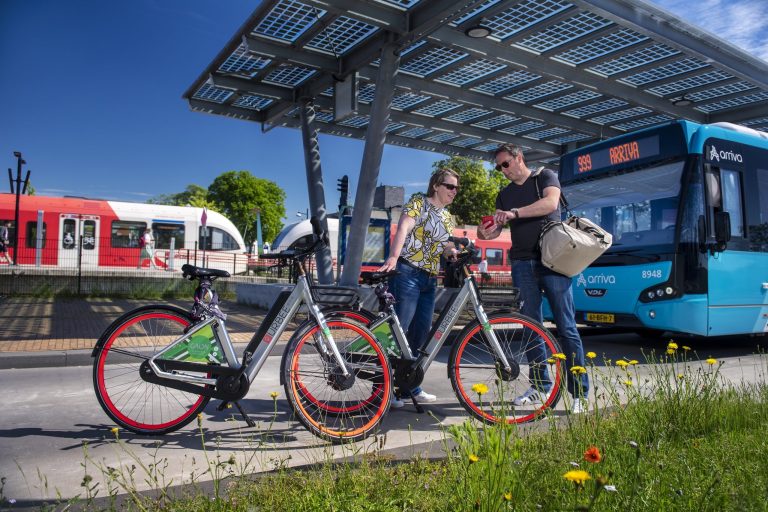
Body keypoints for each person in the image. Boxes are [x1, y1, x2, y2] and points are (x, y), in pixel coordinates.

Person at [477, 143, 589, 414]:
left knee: (567, 327)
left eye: (505, 163)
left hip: (553, 261)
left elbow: (550, 203)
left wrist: (515, 213)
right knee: (531, 328)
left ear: (519, 158)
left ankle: (579, 393)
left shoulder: (544, 177)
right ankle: (540, 386)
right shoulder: (503, 195)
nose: (503, 170)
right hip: (521, 263)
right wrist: (484, 232)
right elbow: (495, 232)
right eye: (498, 167)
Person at [379, 168, 459, 408]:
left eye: (456, 188)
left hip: (429, 279)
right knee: (398, 331)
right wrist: (394, 257)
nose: (454, 191)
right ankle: (383, 389)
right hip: (408, 273)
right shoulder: (419, 202)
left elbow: (445, 245)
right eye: (450, 186)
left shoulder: (448, 217)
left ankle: (408, 386)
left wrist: (452, 252)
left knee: (420, 333)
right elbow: (404, 227)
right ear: (436, 185)